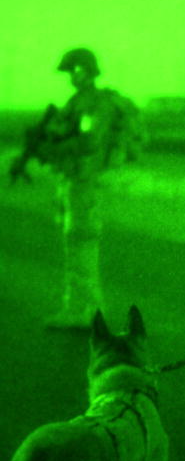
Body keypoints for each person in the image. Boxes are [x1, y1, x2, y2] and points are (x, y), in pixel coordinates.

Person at [11, 48, 142, 328]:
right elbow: (65, 135)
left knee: (81, 246)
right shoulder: (77, 102)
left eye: (76, 70)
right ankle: (78, 309)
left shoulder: (97, 104)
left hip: (85, 183)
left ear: (89, 70)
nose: (72, 76)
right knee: (74, 247)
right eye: (69, 71)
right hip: (73, 182)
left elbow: (88, 142)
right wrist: (44, 145)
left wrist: (50, 148)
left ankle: (91, 313)